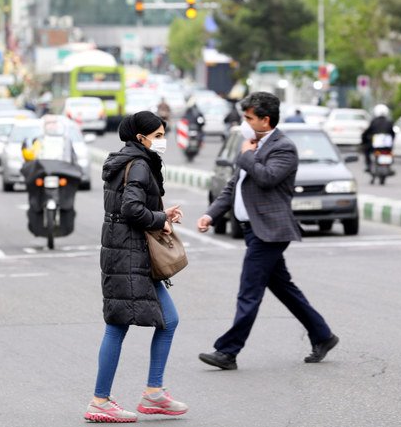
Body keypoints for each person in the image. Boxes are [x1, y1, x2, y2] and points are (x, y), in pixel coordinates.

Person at [196, 92, 338, 371]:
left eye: (249, 118)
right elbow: (232, 188)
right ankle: (323, 335)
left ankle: (228, 351)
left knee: (249, 291)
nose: (244, 123)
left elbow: (267, 178)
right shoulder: (252, 145)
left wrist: (247, 156)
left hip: (270, 231)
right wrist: (210, 214)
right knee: (284, 288)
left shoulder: (283, 148)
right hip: (254, 230)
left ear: (265, 119)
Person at [84, 111, 188, 423]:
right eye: (157, 135)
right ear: (140, 137)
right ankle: (100, 401)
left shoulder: (127, 160)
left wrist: (159, 212)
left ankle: (153, 393)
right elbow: (131, 209)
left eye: (162, 134)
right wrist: (162, 219)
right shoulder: (140, 163)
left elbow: (128, 204)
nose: (162, 140)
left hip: (126, 252)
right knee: (118, 324)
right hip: (129, 254)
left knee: (167, 321)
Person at [361, 104, 395, 173]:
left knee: (366, 150)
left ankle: (368, 165)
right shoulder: (389, 122)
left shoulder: (374, 121)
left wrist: (363, 141)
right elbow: (393, 134)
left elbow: (367, 132)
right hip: (386, 146)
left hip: (376, 145)